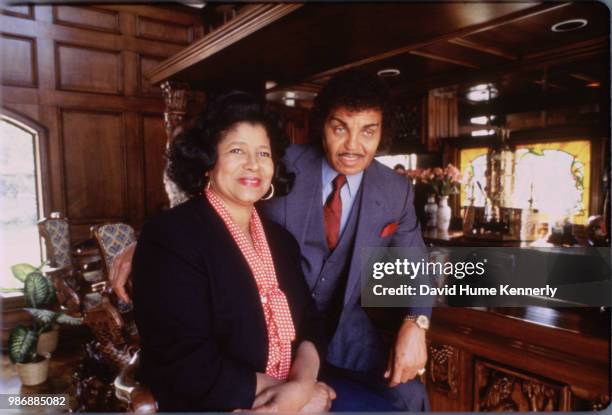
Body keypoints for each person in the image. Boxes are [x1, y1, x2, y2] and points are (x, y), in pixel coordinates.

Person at [113, 71, 430, 411]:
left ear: (381, 134)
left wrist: (417, 323)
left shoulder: (393, 190)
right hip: (248, 346)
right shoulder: (284, 162)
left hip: (335, 335)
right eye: (340, 128)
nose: (353, 145)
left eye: (368, 131)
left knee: (409, 398)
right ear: (322, 125)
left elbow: (415, 264)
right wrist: (145, 245)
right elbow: (204, 214)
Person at [130, 92, 334, 412]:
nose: (253, 164)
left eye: (263, 153)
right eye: (237, 150)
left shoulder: (281, 241)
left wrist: (302, 385)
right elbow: (182, 360)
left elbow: (310, 324)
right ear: (208, 162)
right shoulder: (170, 236)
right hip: (212, 403)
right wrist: (294, 397)